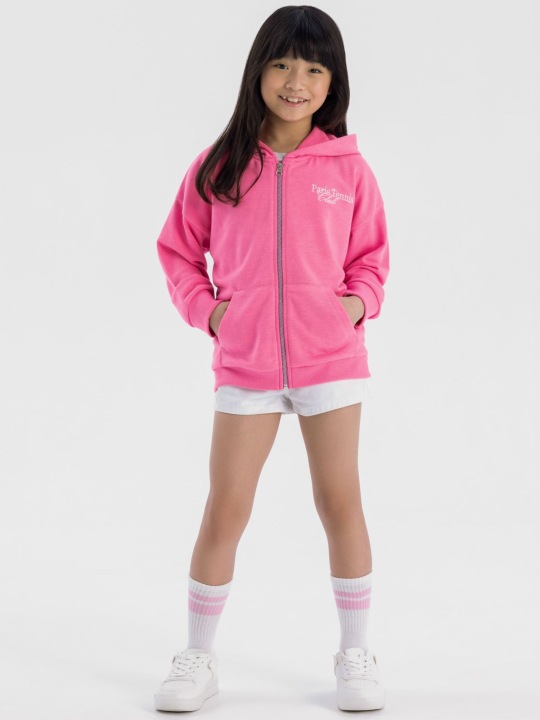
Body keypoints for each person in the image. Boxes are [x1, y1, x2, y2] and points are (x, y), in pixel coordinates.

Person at [153, 4, 389, 713]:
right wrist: (211, 313)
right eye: (283, 64)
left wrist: (353, 307)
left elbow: (371, 258)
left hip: (331, 361)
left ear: (333, 82)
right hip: (248, 364)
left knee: (339, 501)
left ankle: (356, 654)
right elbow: (177, 251)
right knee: (226, 507)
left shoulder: (348, 168)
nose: (296, 82)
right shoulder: (220, 164)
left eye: (314, 69)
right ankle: (198, 657)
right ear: (258, 69)